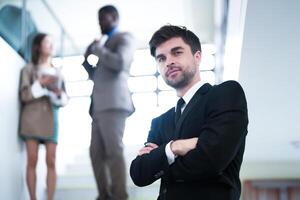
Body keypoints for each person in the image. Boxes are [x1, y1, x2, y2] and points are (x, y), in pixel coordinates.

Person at [130, 25, 248, 200]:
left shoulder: (226, 93)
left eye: (177, 52)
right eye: (161, 58)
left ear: (197, 56)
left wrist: (161, 158)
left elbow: (211, 159)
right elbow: (139, 173)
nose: (168, 62)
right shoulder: (160, 122)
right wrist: (175, 147)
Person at [81, 5, 135, 200]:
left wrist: (98, 49)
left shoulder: (124, 38)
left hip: (114, 103)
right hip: (97, 106)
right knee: (95, 153)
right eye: (98, 19)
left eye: (103, 18)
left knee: (114, 151)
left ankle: (120, 196)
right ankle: (104, 195)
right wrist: (87, 58)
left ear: (115, 17)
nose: (100, 22)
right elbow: (96, 75)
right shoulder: (104, 43)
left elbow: (120, 63)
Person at [19, 33, 68, 200]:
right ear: (38, 46)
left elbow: (64, 99)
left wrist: (57, 93)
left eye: (52, 42)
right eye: (47, 42)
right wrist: (41, 83)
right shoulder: (28, 69)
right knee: (32, 160)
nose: (51, 45)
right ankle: (33, 198)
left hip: (51, 119)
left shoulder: (58, 72)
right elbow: (24, 95)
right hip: (31, 119)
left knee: (51, 161)